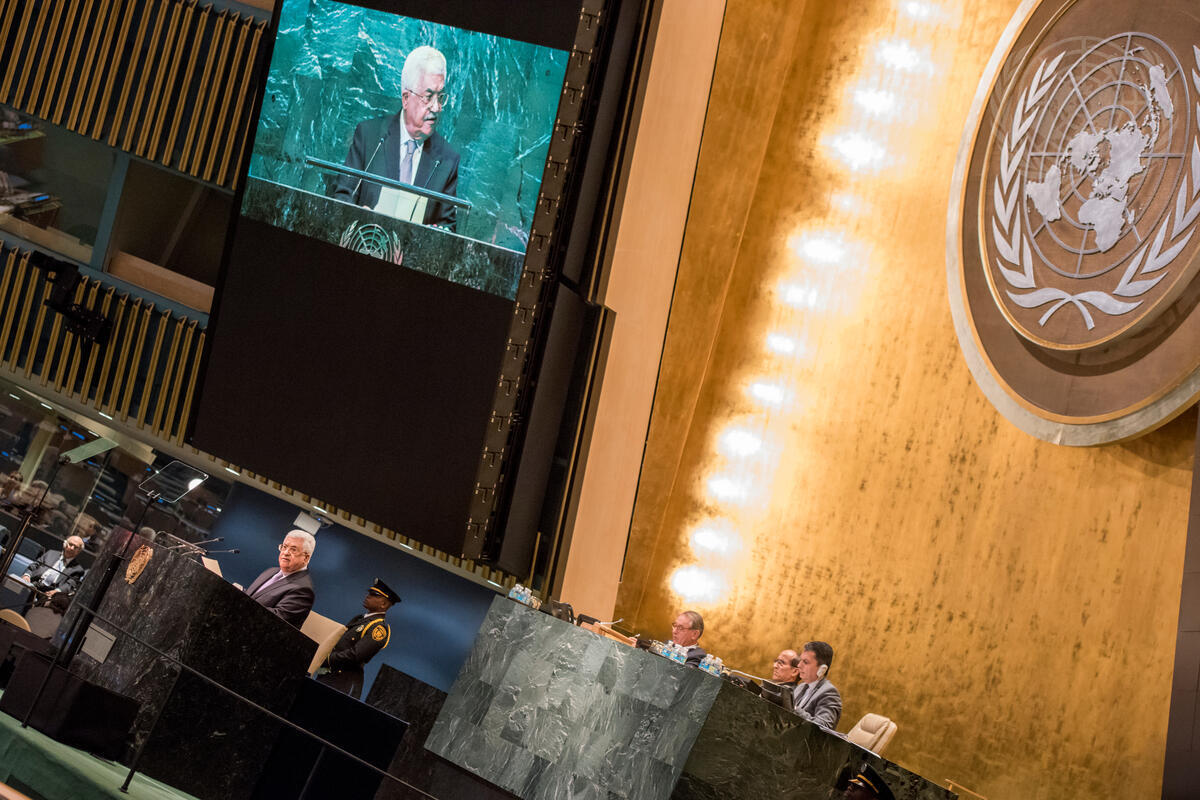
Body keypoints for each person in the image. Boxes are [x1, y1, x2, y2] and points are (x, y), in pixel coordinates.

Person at [331, 45, 460, 230]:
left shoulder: (447, 159)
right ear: (406, 98)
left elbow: (447, 227)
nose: (436, 107)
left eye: (440, 97)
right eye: (429, 96)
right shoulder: (369, 136)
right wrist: (358, 216)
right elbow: (342, 196)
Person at [315, 578, 401, 699]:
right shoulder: (360, 619)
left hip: (342, 683)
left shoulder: (378, 629)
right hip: (329, 675)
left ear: (384, 604)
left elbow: (355, 655)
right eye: (369, 593)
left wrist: (326, 658)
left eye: (374, 595)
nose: (368, 596)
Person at [241, 530, 315, 627]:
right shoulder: (271, 571)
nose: (285, 552)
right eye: (284, 547)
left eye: (293, 550)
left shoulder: (303, 590)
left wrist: (242, 603)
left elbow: (276, 620)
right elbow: (253, 597)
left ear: (306, 558)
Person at [790, 640, 842, 728]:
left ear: (822, 669)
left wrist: (794, 708)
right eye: (800, 660)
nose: (799, 665)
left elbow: (823, 726)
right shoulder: (801, 687)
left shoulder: (829, 692)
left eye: (805, 662)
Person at [22, 534, 86, 596]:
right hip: (33, 583)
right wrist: (27, 575)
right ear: (65, 544)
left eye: (76, 547)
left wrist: (57, 591)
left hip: (50, 593)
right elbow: (34, 565)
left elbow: (69, 585)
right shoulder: (51, 553)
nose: (72, 548)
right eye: (70, 544)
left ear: (79, 551)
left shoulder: (78, 569)